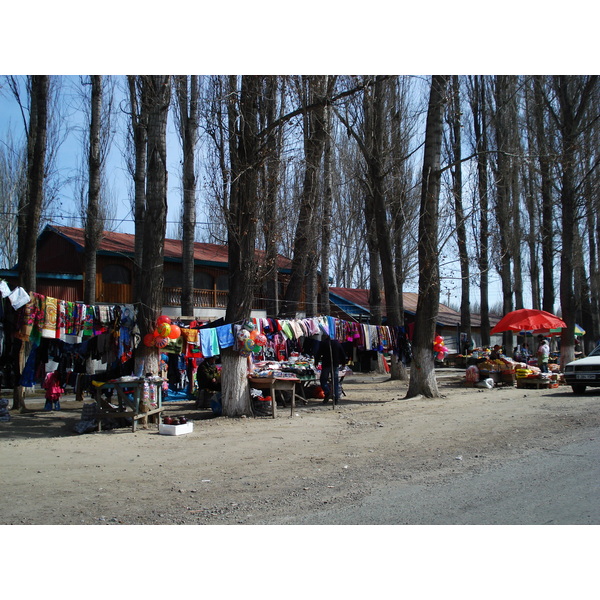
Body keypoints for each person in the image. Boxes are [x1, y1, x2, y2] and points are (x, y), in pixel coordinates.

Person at [315, 335, 347, 404]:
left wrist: (316, 362)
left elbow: (318, 354)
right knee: (335, 381)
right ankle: (336, 398)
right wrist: (344, 363)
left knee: (323, 380)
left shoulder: (323, 343)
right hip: (335, 365)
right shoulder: (337, 343)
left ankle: (327, 392)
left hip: (326, 365)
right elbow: (342, 354)